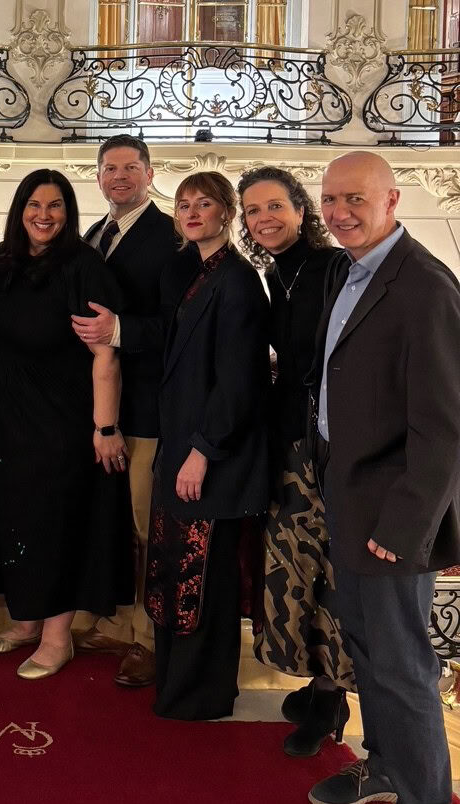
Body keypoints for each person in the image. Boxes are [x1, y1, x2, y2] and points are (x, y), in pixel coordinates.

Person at [307, 152, 460, 804]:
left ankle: (424, 793)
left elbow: (444, 427)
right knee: (368, 651)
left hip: (391, 512)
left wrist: (404, 527)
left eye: (355, 199)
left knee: (402, 667)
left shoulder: (425, 287)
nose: (339, 212)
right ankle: (386, 770)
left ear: (392, 200)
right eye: (330, 199)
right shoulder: (349, 271)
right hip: (349, 495)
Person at [0, 169, 131, 680]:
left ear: (68, 213)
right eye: (34, 205)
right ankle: (26, 620)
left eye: (55, 205)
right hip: (8, 418)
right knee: (18, 519)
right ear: (19, 209)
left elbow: (105, 354)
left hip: (61, 420)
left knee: (56, 523)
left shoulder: (82, 266)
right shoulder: (2, 262)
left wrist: (105, 428)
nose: (43, 215)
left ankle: (56, 637)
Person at [236, 166, 355, 757]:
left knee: (330, 570)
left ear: (300, 210)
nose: (265, 219)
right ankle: (315, 680)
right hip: (287, 442)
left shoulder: (335, 267)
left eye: (275, 206)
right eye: (253, 210)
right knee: (294, 567)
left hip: (328, 450)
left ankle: (333, 695)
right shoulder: (275, 274)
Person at [146, 171, 270, 721]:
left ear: (227, 212)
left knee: (204, 579)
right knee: (176, 574)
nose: (192, 212)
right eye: (183, 205)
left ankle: (202, 696)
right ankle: (177, 687)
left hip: (211, 458)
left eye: (204, 203)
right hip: (181, 449)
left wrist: (202, 451)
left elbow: (239, 381)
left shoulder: (237, 280)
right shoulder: (197, 273)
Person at [72, 134, 181, 688]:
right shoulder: (94, 235)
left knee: (147, 527)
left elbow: (180, 326)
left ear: (150, 173)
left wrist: (120, 330)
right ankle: (118, 622)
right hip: (100, 408)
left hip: (147, 409)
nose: (120, 177)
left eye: (130, 168)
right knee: (114, 524)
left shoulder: (172, 236)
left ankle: (149, 637)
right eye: (110, 168)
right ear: (98, 177)